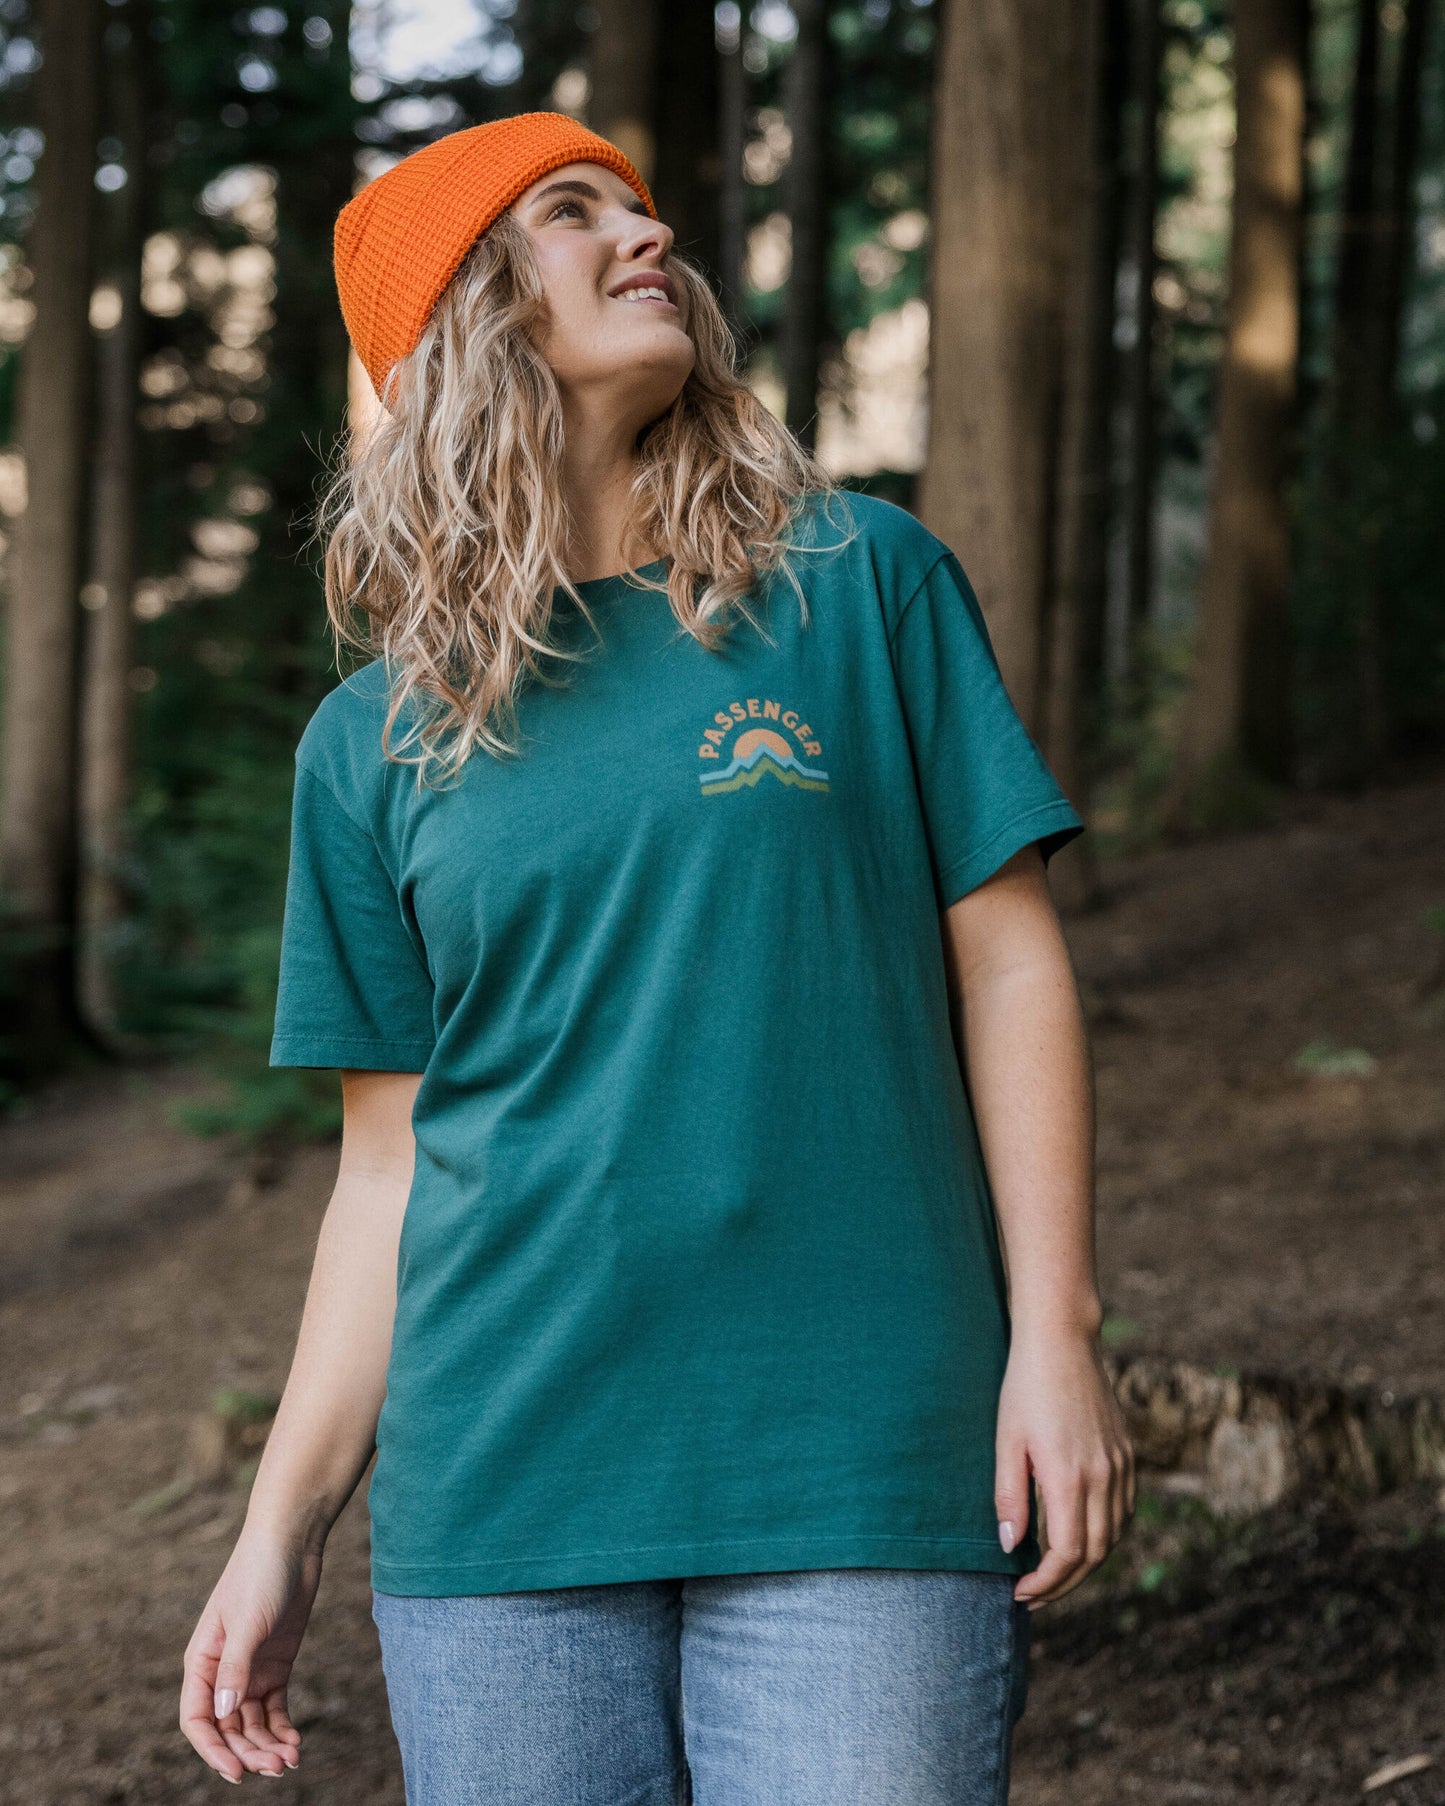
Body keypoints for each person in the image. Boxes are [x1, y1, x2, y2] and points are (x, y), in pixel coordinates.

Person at [179, 111, 1135, 1803]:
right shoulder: (372, 742)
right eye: (573, 211)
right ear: (465, 310)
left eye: (641, 207)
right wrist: (282, 1528)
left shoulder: (860, 586)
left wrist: (1053, 1332)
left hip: (859, 1463)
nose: (650, 235)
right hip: (502, 1505)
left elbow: (1008, 968)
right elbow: (385, 1174)